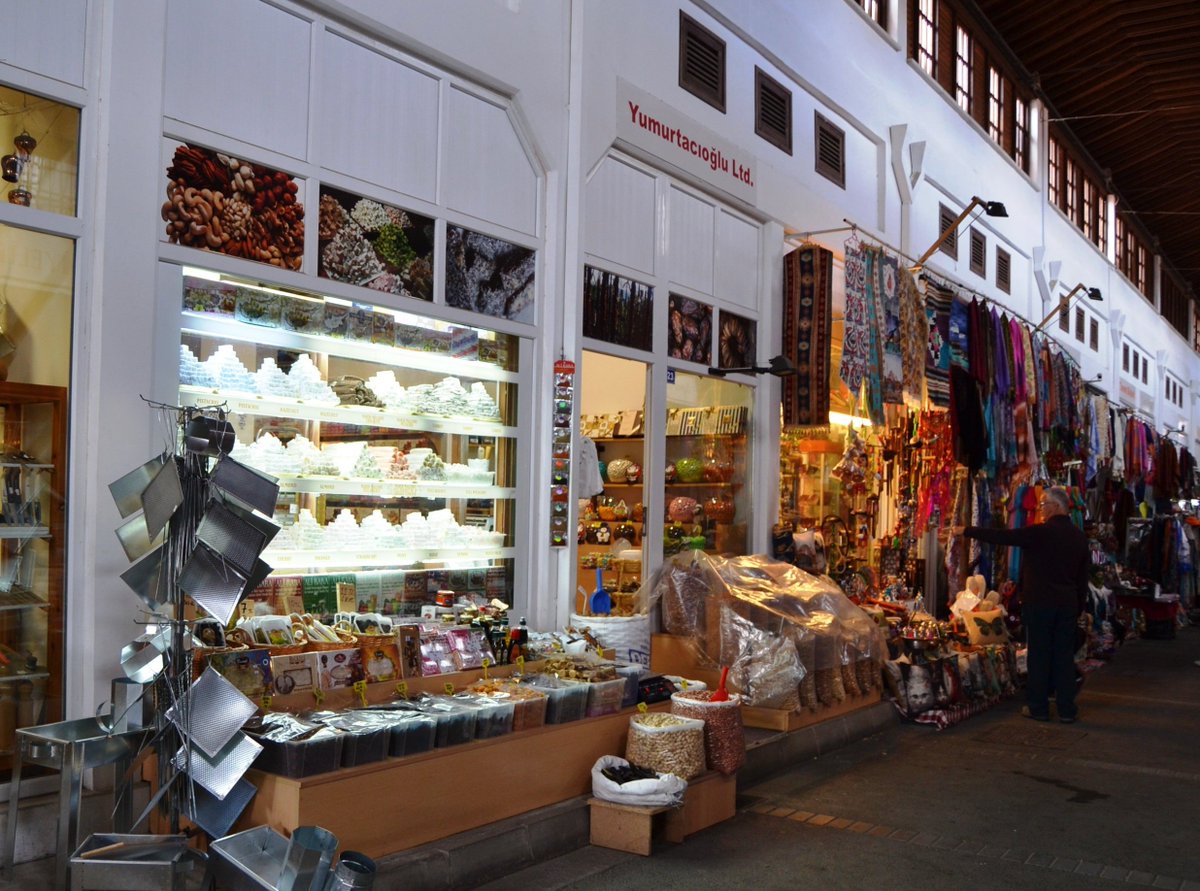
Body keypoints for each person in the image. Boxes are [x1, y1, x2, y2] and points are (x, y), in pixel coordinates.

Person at [961, 486, 1089, 723]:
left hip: (1040, 604)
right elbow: (1083, 579)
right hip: (1067, 605)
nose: (1040, 510)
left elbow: (1003, 536)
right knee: (1063, 656)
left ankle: (1038, 707)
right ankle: (1066, 710)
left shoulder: (1040, 533)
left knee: (1039, 656)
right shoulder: (1079, 538)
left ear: (1057, 507)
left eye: (1043, 505)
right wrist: (1078, 606)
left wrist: (968, 530)